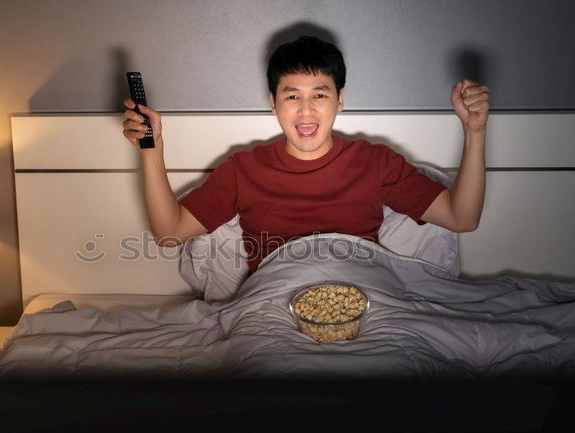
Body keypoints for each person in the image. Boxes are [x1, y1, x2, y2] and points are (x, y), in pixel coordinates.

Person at [122, 35, 490, 275]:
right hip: (273, 304)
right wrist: (152, 151)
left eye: (320, 94)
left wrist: (475, 132)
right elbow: (170, 235)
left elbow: (462, 217)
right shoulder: (242, 170)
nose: (306, 111)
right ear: (273, 104)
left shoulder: (376, 163)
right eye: (292, 96)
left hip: (366, 299)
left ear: (340, 100)